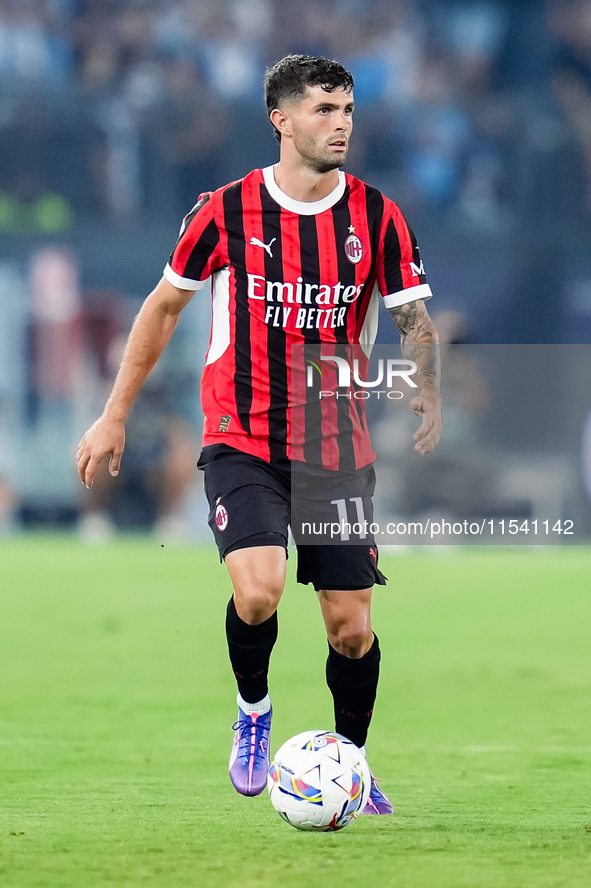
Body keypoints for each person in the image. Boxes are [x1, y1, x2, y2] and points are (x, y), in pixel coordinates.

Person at [76, 54, 442, 815]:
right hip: (241, 434)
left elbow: (411, 315)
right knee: (257, 591)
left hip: (333, 446)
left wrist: (425, 383)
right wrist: (114, 412)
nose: (339, 123)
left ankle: (351, 763)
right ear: (280, 119)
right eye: (322, 109)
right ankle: (252, 712)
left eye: (346, 109)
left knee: (349, 630)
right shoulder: (224, 210)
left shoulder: (376, 216)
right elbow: (162, 308)